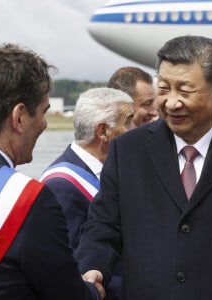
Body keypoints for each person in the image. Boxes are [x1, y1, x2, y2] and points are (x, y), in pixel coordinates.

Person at [77, 35, 212, 299]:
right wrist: (93, 266)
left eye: (184, 91)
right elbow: (103, 226)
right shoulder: (127, 151)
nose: (171, 102)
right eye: (163, 88)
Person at [0, 44, 105, 300]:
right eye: (43, 112)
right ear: (20, 117)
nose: (45, 124)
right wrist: (93, 290)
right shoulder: (27, 201)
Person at [40, 87, 134, 300]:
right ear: (103, 131)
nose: (135, 129)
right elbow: (71, 266)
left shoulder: (111, 171)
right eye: (128, 121)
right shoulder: (61, 185)